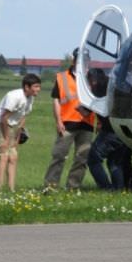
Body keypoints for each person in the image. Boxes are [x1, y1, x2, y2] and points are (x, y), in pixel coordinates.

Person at [43, 47, 95, 190]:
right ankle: (50, 186)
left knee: (82, 158)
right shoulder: (62, 77)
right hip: (67, 123)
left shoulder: (92, 78)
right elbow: (56, 100)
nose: (82, 63)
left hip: (87, 124)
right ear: (74, 60)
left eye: (85, 60)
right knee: (59, 156)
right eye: (79, 60)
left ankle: (73, 186)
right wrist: (58, 121)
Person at [0, 73, 41, 192]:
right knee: (4, 156)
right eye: (36, 86)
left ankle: (12, 189)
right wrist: (6, 138)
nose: (38, 89)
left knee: (13, 157)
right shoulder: (15, 97)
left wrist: (17, 137)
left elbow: (23, 117)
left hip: (13, 124)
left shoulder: (30, 98)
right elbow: (4, 118)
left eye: (39, 86)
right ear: (27, 87)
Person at [86, 68, 129, 191]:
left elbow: (86, 110)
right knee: (115, 162)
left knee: (93, 158)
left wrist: (82, 106)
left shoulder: (99, 91)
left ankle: (106, 188)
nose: (90, 84)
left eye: (90, 81)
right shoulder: (114, 87)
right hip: (123, 130)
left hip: (110, 131)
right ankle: (118, 190)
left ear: (93, 80)